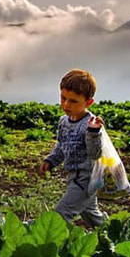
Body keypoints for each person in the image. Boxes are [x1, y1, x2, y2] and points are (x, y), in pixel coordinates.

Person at [38, 69, 108, 227]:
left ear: (88, 102)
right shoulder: (64, 121)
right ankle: (112, 235)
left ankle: (49, 246)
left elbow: (95, 153)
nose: (66, 104)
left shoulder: (92, 125)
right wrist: (51, 161)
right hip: (73, 176)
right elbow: (62, 145)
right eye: (63, 98)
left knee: (61, 214)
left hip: (87, 179)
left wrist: (93, 132)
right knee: (91, 215)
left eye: (73, 101)